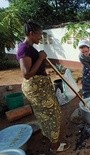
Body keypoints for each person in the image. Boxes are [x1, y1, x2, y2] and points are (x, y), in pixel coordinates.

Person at [16, 21, 70, 153]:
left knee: (48, 112)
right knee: (50, 114)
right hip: (36, 88)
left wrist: (40, 59)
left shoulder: (30, 47)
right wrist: (40, 58)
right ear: (31, 34)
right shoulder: (24, 49)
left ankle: (49, 136)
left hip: (41, 87)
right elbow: (26, 74)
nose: (41, 37)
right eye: (39, 34)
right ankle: (54, 146)